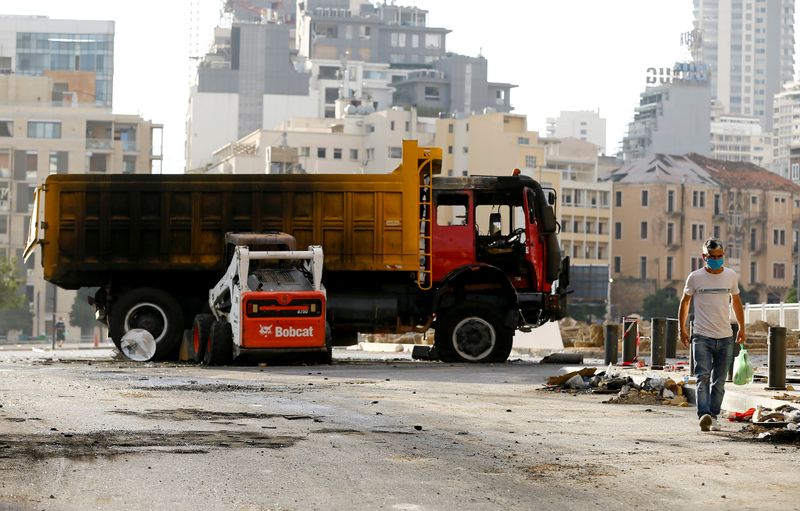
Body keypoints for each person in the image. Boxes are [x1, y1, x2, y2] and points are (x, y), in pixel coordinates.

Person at [678, 238, 745, 432]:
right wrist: (682, 329)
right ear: (703, 257)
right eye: (711, 257)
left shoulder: (731, 276)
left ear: (723, 255)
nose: (715, 260)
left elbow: (737, 302)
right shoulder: (695, 277)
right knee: (702, 377)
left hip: (725, 337)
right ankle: (704, 415)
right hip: (701, 336)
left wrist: (742, 327)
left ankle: (713, 416)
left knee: (720, 381)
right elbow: (685, 303)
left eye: (719, 256)